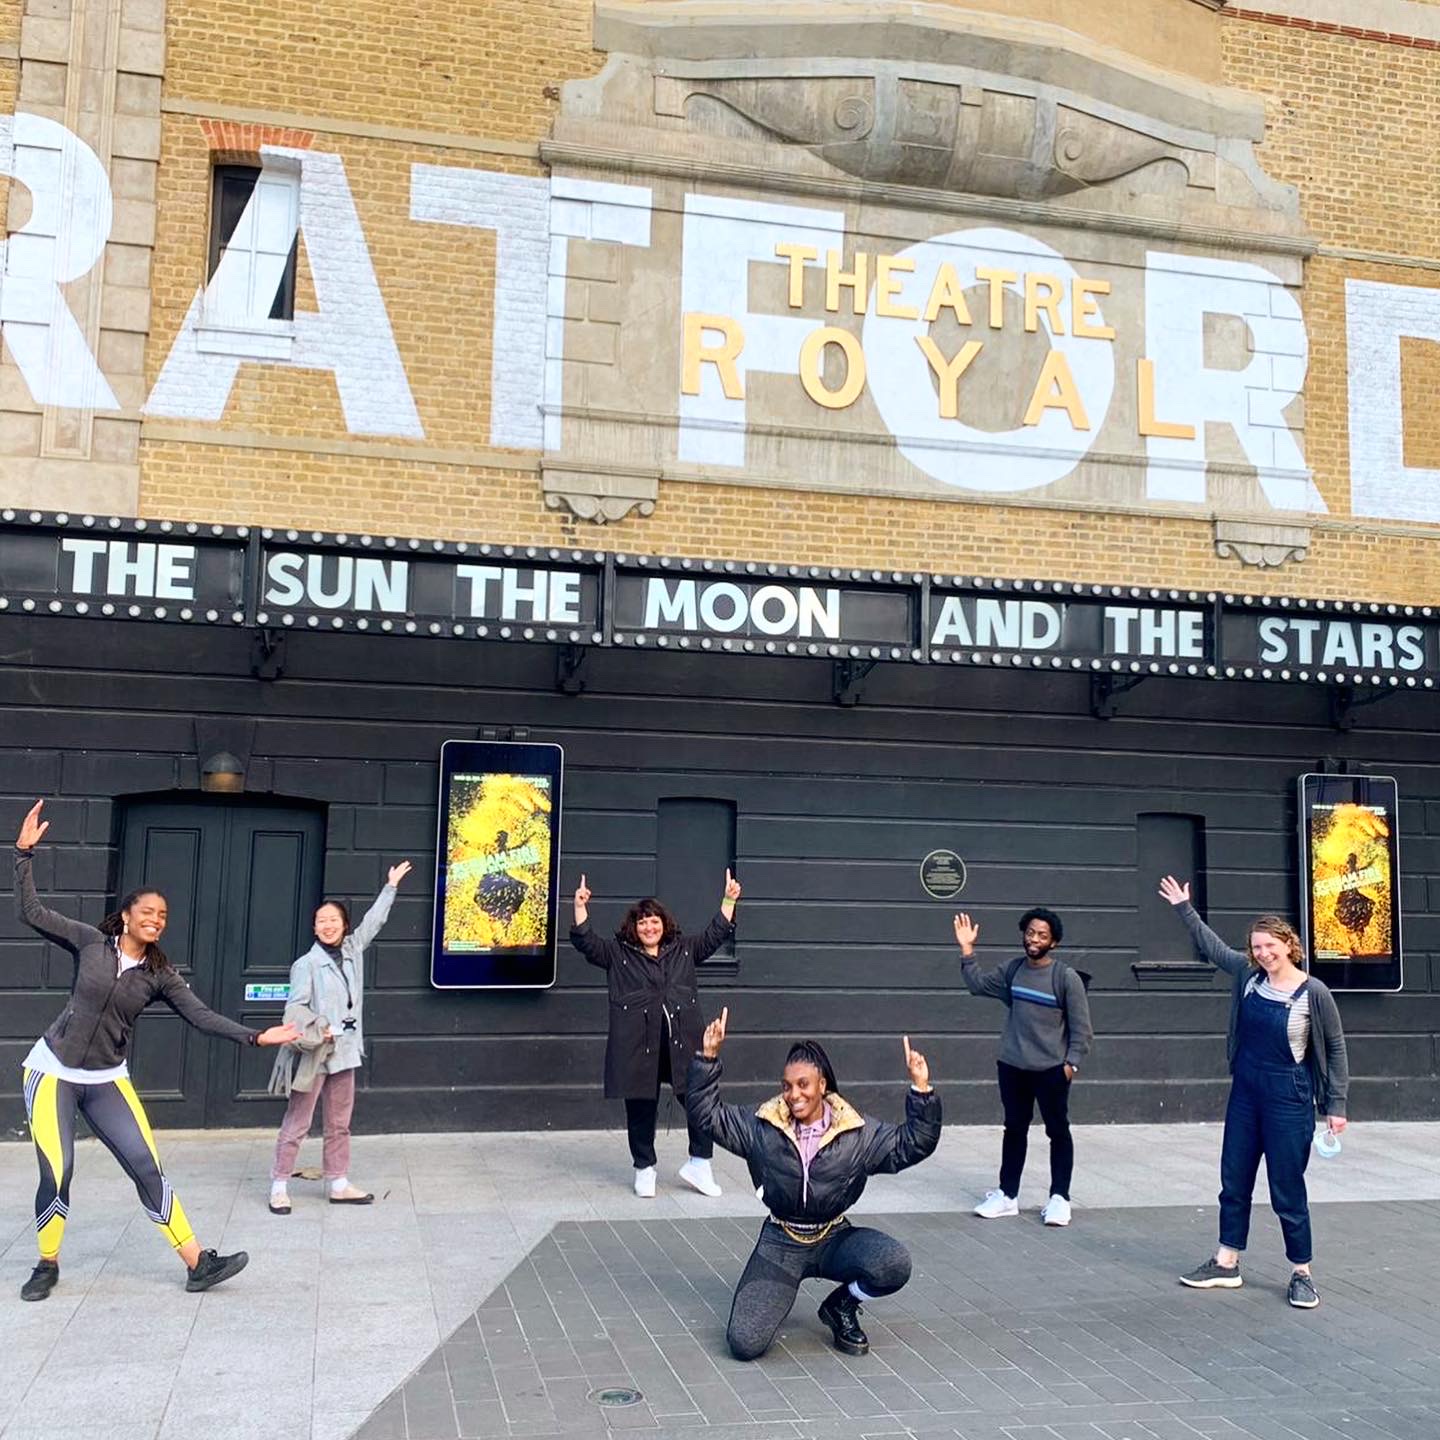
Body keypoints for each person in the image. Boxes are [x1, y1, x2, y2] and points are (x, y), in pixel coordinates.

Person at [12, 800, 299, 1302]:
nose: (156, 920)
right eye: (147, 912)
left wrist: (255, 1036)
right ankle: (46, 1262)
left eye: (163, 916)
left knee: (147, 1166)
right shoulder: (88, 943)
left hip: (106, 1080)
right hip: (52, 1071)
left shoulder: (159, 974)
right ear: (126, 915)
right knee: (59, 1172)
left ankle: (197, 1263)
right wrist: (23, 853)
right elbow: (32, 911)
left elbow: (201, 1016)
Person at [686, 1008, 941, 1360]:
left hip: (834, 1237)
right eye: (787, 1086)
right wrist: (707, 1058)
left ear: (822, 1085)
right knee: (745, 1344)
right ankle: (780, 1293)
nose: (794, 1094)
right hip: (781, 1242)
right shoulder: (760, 1125)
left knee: (893, 1263)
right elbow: (706, 1115)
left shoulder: (857, 1133)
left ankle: (841, 1306)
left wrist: (921, 1089)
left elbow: (914, 1144)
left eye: (803, 1084)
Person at [1159, 875, 1349, 1309]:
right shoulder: (1248, 975)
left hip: (1289, 1096)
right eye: (1257, 947)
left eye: (1270, 946)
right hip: (1246, 1091)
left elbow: (1335, 1049)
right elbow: (1212, 948)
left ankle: (1302, 1272)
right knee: (1234, 1179)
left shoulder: (1313, 992)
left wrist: (1335, 1105)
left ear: (1289, 944)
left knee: (1286, 1187)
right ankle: (1227, 1261)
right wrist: (1184, 909)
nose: (1263, 953)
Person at [571, 871, 739, 1197]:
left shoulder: (684, 949)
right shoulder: (618, 954)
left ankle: (700, 1164)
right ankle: (644, 1169)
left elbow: (714, 935)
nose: (649, 927)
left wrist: (729, 899)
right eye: (643, 923)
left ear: (664, 924)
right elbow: (587, 943)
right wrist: (580, 908)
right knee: (640, 1108)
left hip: (682, 1043)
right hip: (638, 1045)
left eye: (654, 921)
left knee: (698, 1101)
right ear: (634, 928)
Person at [268, 861, 412, 1213]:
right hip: (316, 1053)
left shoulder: (351, 951)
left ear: (343, 925)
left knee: (339, 1123)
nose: (328, 926)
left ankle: (338, 1182)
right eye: (322, 921)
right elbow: (293, 1009)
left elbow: (374, 923)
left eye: (334, 920)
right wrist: (320, 1024)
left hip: (345, 1052)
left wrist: (390, 887)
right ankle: (279, 1185)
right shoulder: (306, 964)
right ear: (314, 927)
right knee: (298, 1122)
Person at [953, 907, 1092, 1226]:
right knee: (1014, 1129)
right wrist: (967, 949)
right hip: (1012, 1066)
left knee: (1058, 1131)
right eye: (1030, 933)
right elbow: (977, 985)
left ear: (1053, 942)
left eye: (1042, 935)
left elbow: (1082, 1028)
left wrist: (1071, 1065)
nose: (1034, 939)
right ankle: (1007, 1196)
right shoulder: (1013, 970)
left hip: (1051, 1070)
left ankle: (1059, 1198)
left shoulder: (1064, 978)